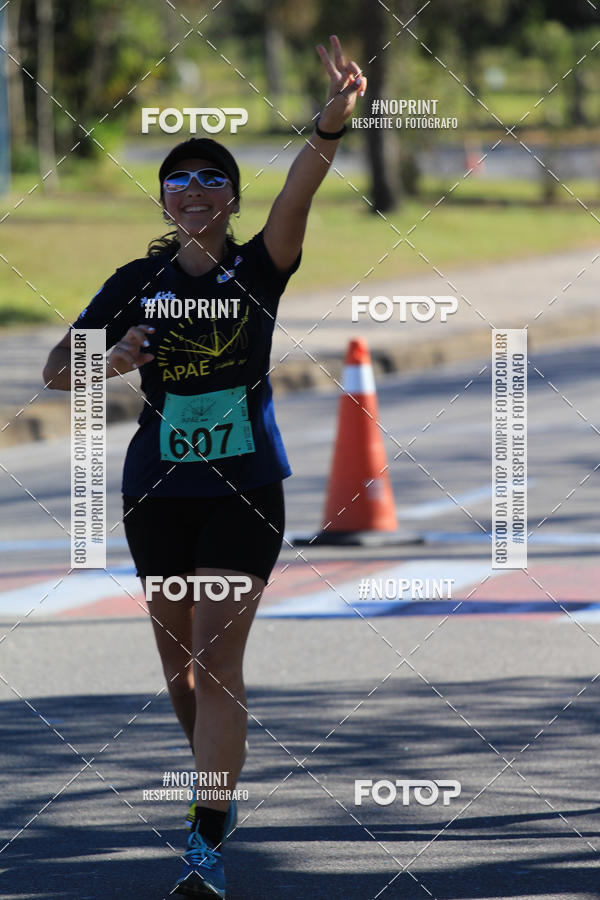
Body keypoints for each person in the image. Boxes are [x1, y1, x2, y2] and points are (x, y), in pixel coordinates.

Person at [43, 34, 365, 899]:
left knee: (218, 663)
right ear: (163, 198)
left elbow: (300, 191)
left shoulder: (260, 267)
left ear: (230, 199)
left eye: (211, 178)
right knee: (180, 671)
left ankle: (204, 840)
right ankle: (214, 785)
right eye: (178, 178)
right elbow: (57, 370)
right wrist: (110, 360)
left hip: (244, 490)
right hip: (156, 492)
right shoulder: (134, 280)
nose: (194, 188)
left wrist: (331, 121)